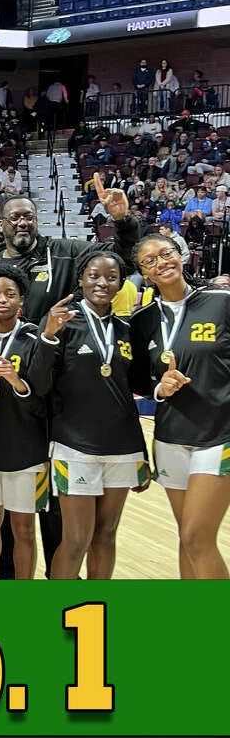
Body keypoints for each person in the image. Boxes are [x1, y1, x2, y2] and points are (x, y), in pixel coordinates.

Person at [0, 175, 143, 578]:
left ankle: (57, 582)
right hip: (9, 398)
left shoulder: (64, 253)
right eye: (15, 218)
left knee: (55, 507)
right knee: (12, 508)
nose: (23, 223)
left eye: (29, 216)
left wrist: (122, 220)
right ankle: (12, 585)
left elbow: (120, 259)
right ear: (1, 224)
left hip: (54, 394)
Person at [29, 251, 148, 580]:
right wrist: (48, 336)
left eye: (111, 277)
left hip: (122, 447)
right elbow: (39, 384)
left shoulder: (126, 329)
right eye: (94, 276)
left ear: (120, 284)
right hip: (74, 446)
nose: (102, 283)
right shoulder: (63, 321)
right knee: (76, 538)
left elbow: (129, 392)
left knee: (106, 536)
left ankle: (97, 608)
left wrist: (143, 455)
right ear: (81, 279)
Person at [130, 234, 230, 578]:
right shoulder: (141, 320)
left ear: (181, 256)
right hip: (170, 438)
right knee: (185, 538)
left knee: (196, 536)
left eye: (166, 253)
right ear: (145, 274)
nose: (162, 262)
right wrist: (160, 387)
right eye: (150, 261)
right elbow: (139, 380)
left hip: (219, 436)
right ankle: (192, 623)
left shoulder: (222, 301)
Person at [0, 265, 48, 579]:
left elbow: (45, 394)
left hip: (27, 447)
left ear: (22, 301)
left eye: (10, 294)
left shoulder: (34, 338)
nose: (2, 300)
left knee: (24, 528)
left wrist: (17, 382)